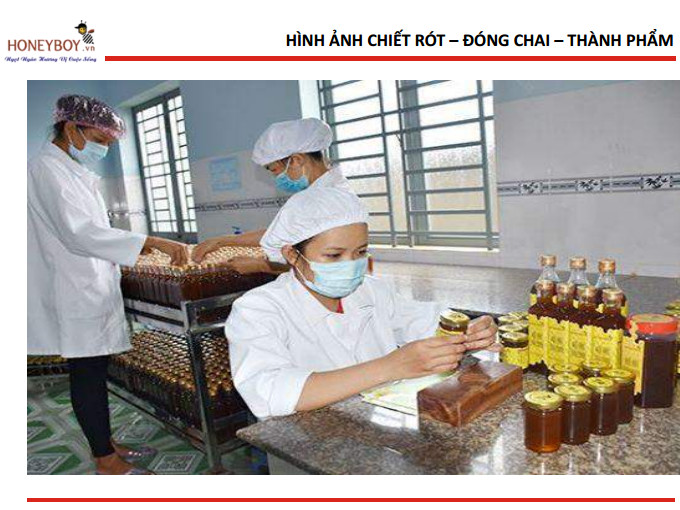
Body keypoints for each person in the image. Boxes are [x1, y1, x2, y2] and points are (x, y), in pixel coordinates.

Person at [225, 187, 499, 420]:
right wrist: (391, 366)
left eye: (360, 252)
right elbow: (269, 392)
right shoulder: (258, 309)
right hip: (306, 442)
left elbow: (423, 321)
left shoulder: (370, 290)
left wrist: (469, 331)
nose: (351, 265)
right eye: (334, 255)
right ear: (292, 255)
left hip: (377, 422)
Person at [28, 95, 189, 475]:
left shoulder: (70, 171)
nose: (103, 150)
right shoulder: (46, 170)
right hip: (73, 289)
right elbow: (79, 233)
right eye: (100, 140)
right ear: (72, 128)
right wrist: (152, 241)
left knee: (95, 371)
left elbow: (90, 234)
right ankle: (105, 460)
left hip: (87, 284)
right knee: (87, 374)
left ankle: (107, 443)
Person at [191, 118, 348, 272]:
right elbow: (280, 234)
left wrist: (261, 265)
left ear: (296, 160)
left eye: (274, 170)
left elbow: (327, 264)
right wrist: (221, 241)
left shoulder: (326, 199)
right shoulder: (321, 193)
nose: (276, 177)